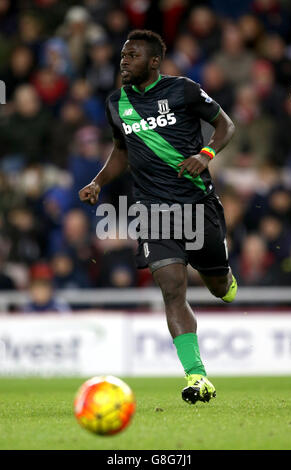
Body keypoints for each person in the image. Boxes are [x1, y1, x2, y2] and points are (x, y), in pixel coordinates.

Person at [79, 29, 237, 405]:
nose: (123, 62)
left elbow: (226, 126)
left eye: (132, 56)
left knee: (217, 287)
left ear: (153, 62)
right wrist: (98, 181)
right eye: (122, 56)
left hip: (197, 204)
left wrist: (206, 155)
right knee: (171, 288)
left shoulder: (182, 90)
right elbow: (122, 150)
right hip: (152, 210)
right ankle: (197, 377)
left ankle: (224, 274)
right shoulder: (116, 102)